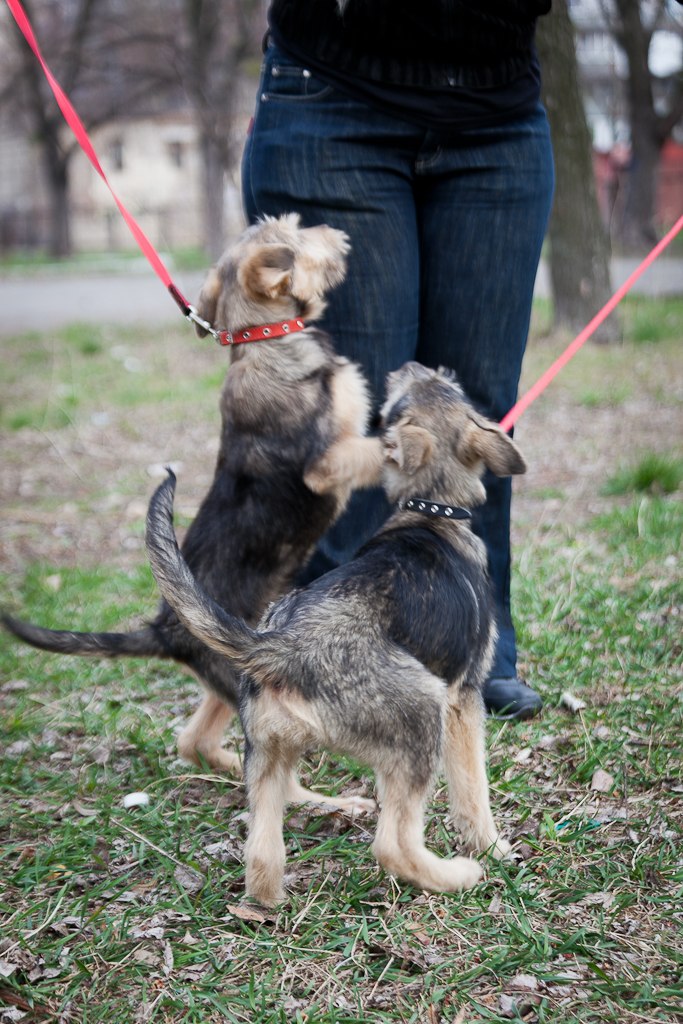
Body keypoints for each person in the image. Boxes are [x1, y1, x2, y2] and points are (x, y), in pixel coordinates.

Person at [241, 0, 554, 720]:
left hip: (498, 111)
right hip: (330, 97)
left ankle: (473, 638)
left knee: (470, 411)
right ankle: (317, 644)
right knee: (349, 420)